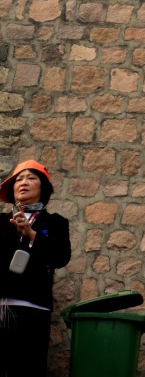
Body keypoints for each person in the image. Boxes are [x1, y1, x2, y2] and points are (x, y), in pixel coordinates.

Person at [0, 159, 71, 377]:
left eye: (31, 177)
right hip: (1, 306)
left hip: (35, 308)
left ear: (43, 187)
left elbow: (61, 257)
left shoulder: (56, 223)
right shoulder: (1, 222)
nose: (24, 182)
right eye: (18, 179)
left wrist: (32, 235)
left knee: (30, 369)